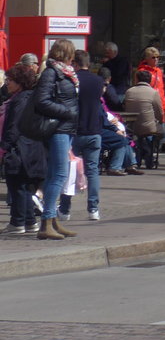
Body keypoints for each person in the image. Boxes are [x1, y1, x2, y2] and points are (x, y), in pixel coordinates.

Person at [31, 40, 80, 240]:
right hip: (58, 128)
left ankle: (52, 220)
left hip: (66, 128)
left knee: (56, 174)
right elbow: (41, 101)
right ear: (67, 54)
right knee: (59, 174)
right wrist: (66, 112)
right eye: (72, 54)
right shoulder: (52, 72)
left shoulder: (66, 73)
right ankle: (47, 220)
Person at [58, 49, 105, 222]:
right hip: (94, 130)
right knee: (92, 171)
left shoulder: (74, 80)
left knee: (69, 170)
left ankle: (64, 209)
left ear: (75, 64)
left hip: (75, 131)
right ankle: (93, 209)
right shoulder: (99, 81)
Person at [1, 59, 46, 235]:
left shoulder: (20, 100)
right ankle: (28, 221)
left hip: (20, 149)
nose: (7, 83)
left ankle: (18, 222)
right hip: (29, 148)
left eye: (10, 80)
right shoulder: (27, 97)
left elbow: (14, 127)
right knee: (24, 186)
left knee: (17, 185)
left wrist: (4, 147)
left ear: (19, 83)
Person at [124, 70, 165, 169]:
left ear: (137, 79)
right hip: (148, 127)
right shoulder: (154, 93)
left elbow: (125, 107)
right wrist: (158, 120)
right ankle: (149, 157)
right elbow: (160, 112)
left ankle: (139, 155)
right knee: (164, 133)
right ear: (150, 81)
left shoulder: (129, 91)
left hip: (131, 126)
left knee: (139, 137)